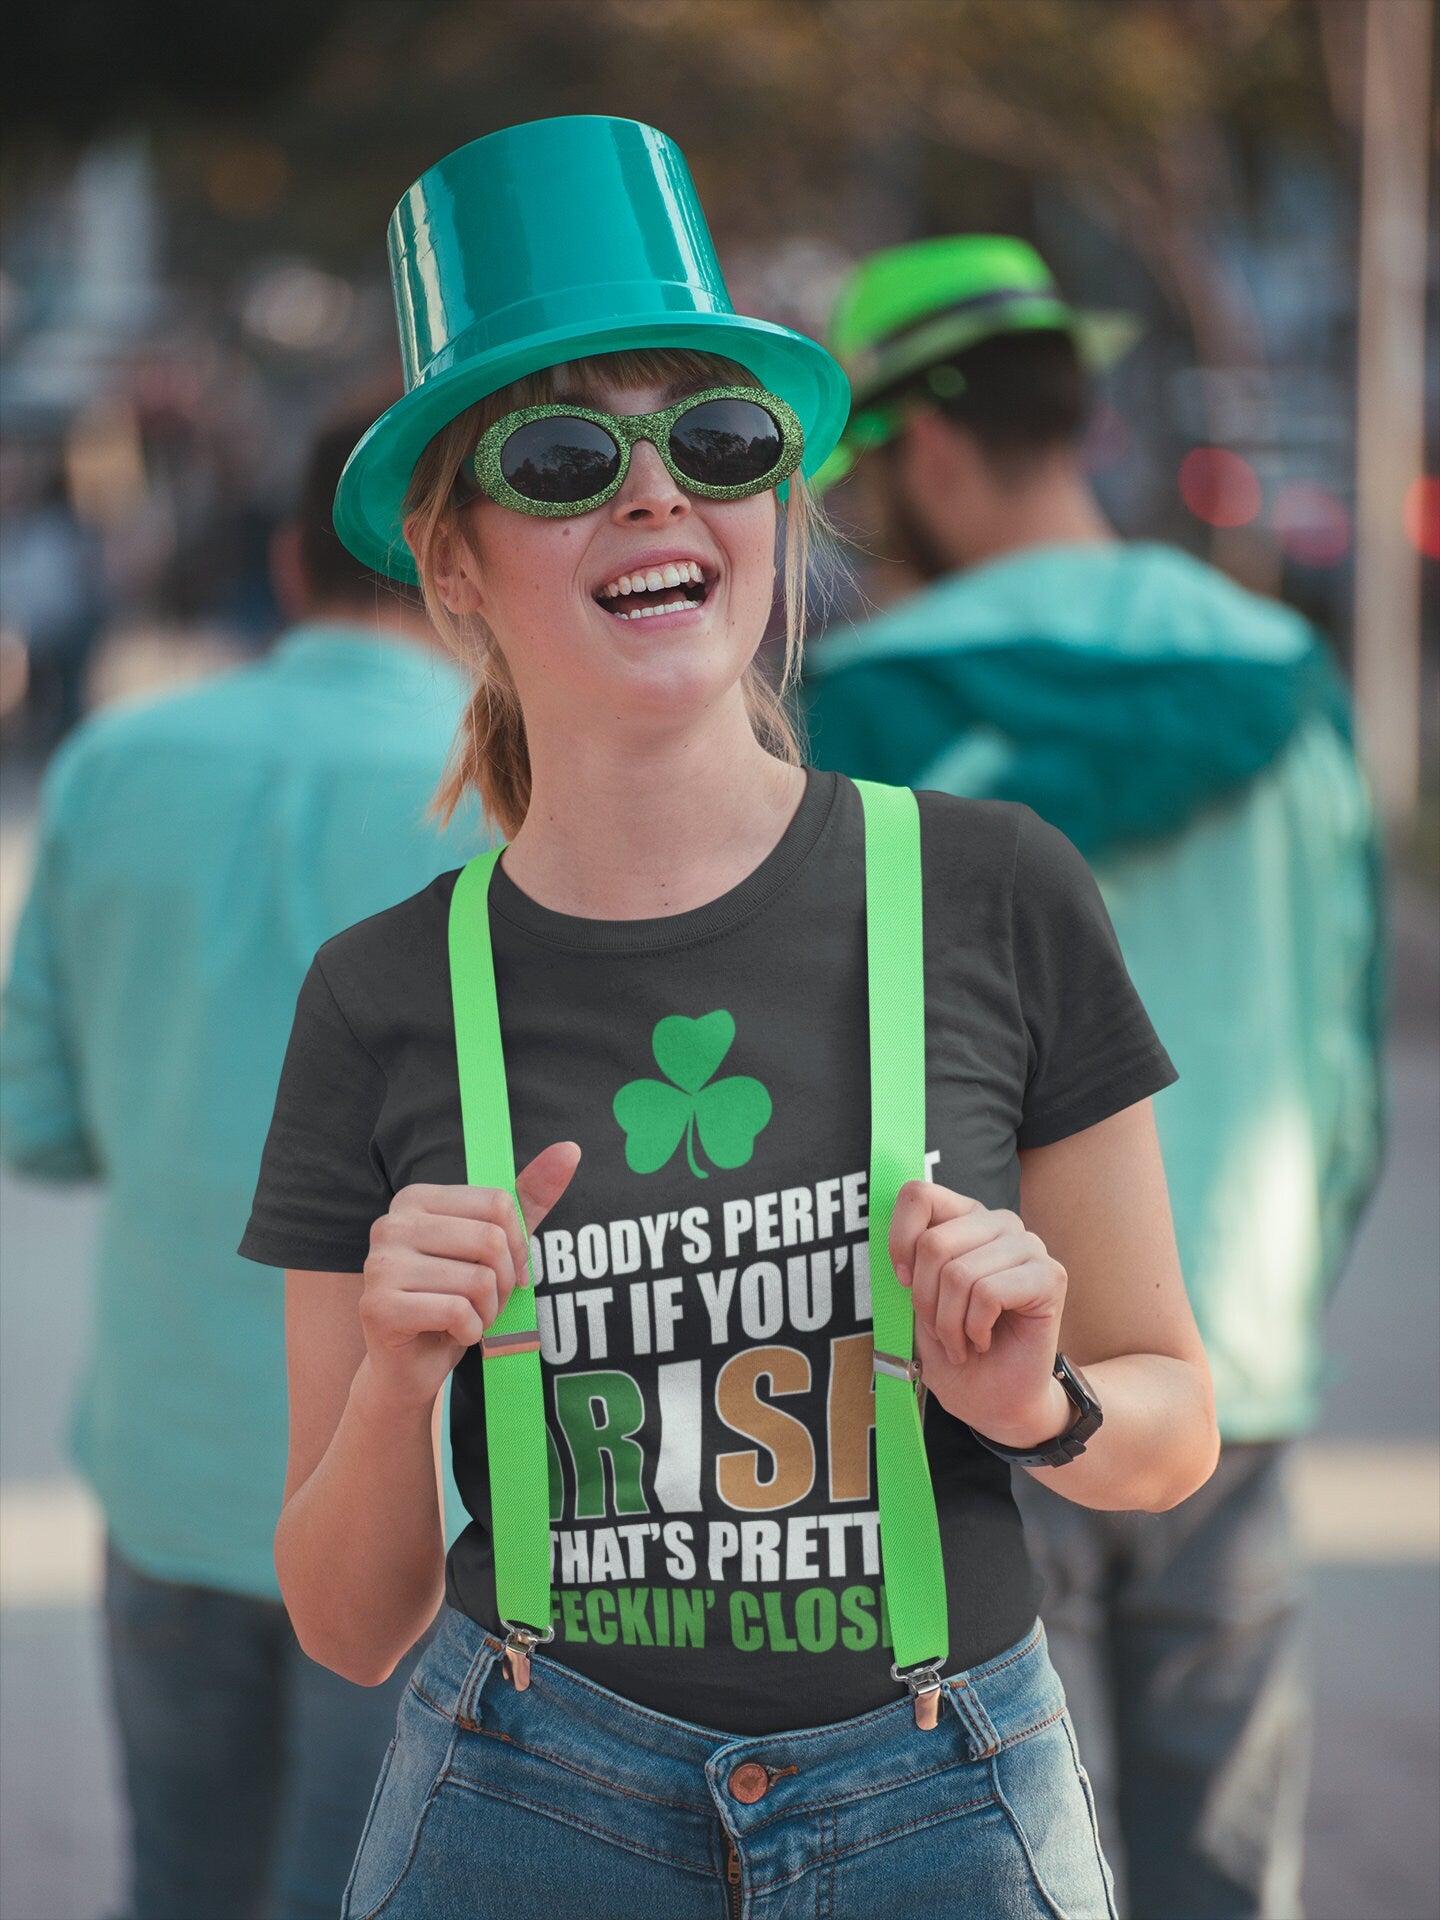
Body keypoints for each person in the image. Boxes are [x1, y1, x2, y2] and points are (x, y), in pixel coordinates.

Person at [239, 117, 1218, 1920]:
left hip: (943, 1805)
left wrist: (1041, 1403)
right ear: (452, 567)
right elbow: (346, 1620)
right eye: (557, 456)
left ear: (778, 498)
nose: (653, 494)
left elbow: (1173, 1429)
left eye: (717, 438)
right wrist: (397, 1383)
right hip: (522, 1805)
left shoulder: (996, 890)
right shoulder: (380, 998)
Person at [802, 235, 1386, 1919]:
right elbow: (1346, 1046)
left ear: (914, 447)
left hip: (972, 1376)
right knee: (1223, 1870)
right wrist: (1269, 1289)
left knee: (995, 1872)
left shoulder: (854, 716)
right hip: (1241, 1370)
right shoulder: (1287, 678)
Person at [0, 408, 482, 1920]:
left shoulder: (113, 765)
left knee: (185, 1882)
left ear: (288, 561)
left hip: (172, 1462)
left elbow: (35, 1118)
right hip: (429, 1503)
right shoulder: (525, 801)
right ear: (469, 567)